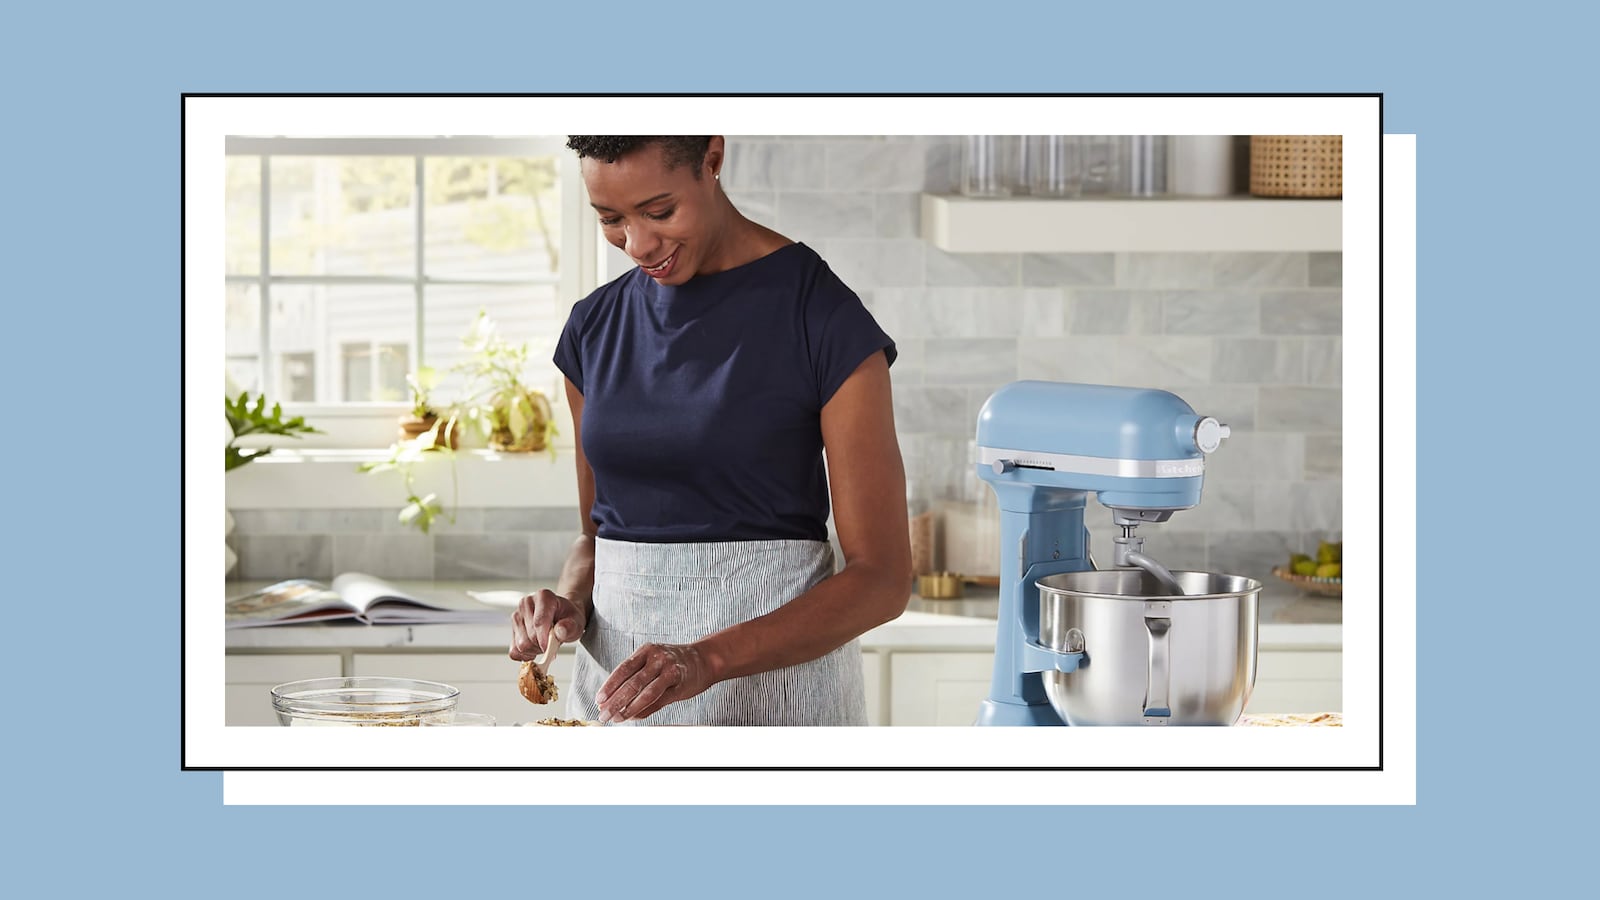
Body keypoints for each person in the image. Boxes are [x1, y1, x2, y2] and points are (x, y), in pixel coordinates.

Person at [507, 135, 912, 725]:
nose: (638, 244)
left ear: (712, 160)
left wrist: (705, 660)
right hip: (617, 708)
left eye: (660, 211)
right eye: (611, 219)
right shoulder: (593, 327)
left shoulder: (819, 314)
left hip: (778, 707)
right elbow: (596, 538)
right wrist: (567, 604)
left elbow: (882, 580)